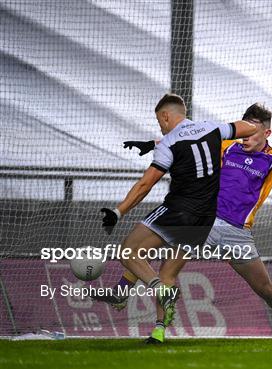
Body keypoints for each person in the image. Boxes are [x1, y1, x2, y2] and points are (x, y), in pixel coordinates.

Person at [98, 103, 272, 342]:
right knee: (165, 265)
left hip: (238, 233)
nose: (246, 137)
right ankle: (158, 329)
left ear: (266, 133)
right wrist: (153, 144)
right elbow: (191, 139)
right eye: (244, 131)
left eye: (253, 132)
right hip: (203, 221)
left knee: (264, 287)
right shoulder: (227, 147)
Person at [97, 93, 257, 326]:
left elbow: (145, 185)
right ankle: (159, 330)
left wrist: (118, 211)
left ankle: (159, 290)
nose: (160, 127)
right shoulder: (212, 128)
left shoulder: (170, 143)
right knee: (168, 273)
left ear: (165, 115)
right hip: (204, 219)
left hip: (178, 211)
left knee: (128, 252)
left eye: (159, 122)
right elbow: (248, 128)